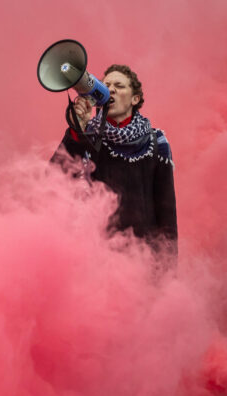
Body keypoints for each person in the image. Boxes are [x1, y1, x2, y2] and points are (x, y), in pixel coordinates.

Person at [50, 65, 177, 255]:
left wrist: (167, 271)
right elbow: (55, 179)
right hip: (96, 254)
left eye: (119, 85)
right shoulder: (88, 135)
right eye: (106, 85)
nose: (111, 89)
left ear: (135, 99)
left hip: (143, 257)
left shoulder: (156, 141)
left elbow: (166, 212)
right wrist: (77, 130)